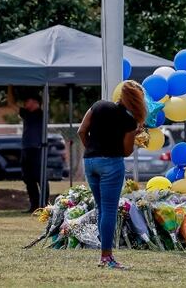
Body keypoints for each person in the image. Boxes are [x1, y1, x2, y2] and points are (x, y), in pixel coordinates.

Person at [78, 80, 146, 270]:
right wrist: (135, 136)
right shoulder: (129, 121)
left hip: (90, 161)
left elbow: (81, 131)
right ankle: (106, 257)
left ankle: (104, 253)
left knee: (101, 208)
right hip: (112, 164)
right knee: (109, 210)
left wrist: (93, 150)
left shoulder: (98, 106)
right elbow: (125, 152)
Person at [8, 86, 45, 213]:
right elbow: (10, 104)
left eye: (28, 101)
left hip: (37, 149)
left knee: (40, 177)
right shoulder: (26, 114)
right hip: (26, 148)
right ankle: (34, 205)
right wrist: (10, 87)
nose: (25, 104)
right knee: (28, 178)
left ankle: (44, 205)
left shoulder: (41, 114)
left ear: (36, 102)